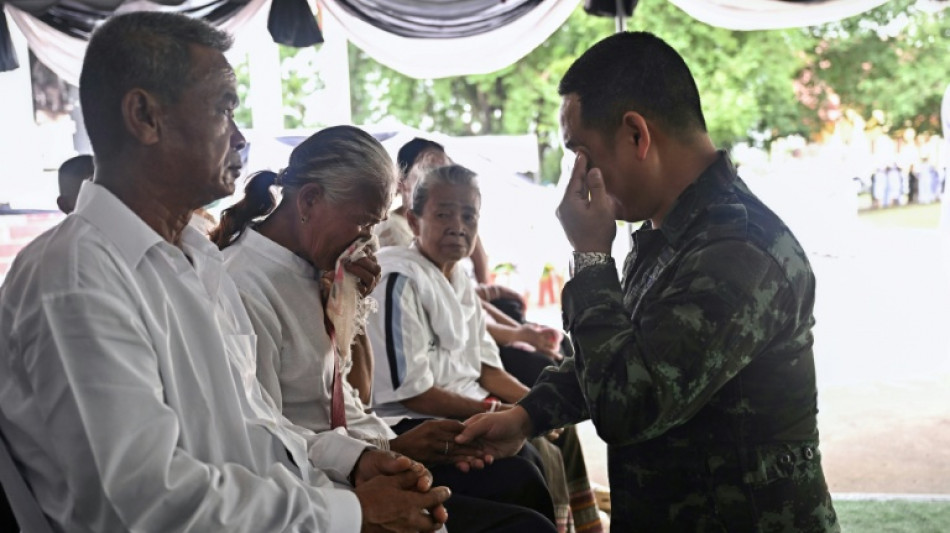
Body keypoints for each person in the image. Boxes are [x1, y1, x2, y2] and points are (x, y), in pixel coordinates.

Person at [0, 12, 449, 532]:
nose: (238, 138)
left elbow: (257, 426)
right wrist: (352, 514)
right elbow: (140, 504)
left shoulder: (193, 260)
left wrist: (354, 461)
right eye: (223, 109)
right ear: (145, 116)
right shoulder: (76, 278)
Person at [458, 31, 839, 532]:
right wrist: (526, 416)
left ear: (636, 135)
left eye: (582, 153)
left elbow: (629, 404)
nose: (578, 175)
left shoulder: (738, 249)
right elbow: (618, 355)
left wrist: (591, 257)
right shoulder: (673, 233)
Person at [212, 125, 557, 532]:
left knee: (521, 477)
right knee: (524, 522)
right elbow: (265, 437)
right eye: (362, 223)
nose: (366, 242)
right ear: (309, 201)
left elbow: (352, 394)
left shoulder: (315, 267)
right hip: (316, 491)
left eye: (373, 227)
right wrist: (376, 456)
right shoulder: (245, 285)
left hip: (356, 459)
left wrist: (394, 446)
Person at [368, 164, 603, 533]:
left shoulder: (459, 280)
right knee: (527, 461)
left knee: (560, 428)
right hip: (413, 420)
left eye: (468, 216)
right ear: (414, 221)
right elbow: (415, 393)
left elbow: (487, 369)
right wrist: (499, 411)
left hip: (468, 406)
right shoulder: (399, 280)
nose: (457, 226)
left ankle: (582, 527)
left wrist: (531, 406)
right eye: (443, 214)